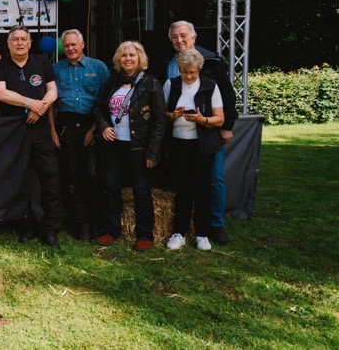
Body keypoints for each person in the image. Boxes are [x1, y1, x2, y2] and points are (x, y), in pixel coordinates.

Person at [163, 20, 238, 244]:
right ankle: (182, 230)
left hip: (207, 135)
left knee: (212, 181)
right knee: (184, 186)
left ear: (194, 37)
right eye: (175, 37)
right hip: (180, 139)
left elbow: (227, 95)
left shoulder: (212, 61)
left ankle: (214, 227)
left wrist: (226, 126)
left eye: (184, 35)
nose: (179, 40)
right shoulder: (168, 66)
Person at [0, 25, 62, 248]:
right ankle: (27, 225)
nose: (20, 43)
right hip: (13, 130)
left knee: (50, 178)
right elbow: (1, 93)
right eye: (15, 40)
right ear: (8, 44)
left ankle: (50, 229)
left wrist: (40, 107)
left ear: (30, 43)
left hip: (40, 129)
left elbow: (53, 91)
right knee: (18, 180)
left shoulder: (41, 62)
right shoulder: (0, 66)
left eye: (24, 39)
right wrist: (31, 103)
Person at [94, 41, 165, 252]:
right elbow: (98, 108)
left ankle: (145, 234)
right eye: (124, 56)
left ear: (140, 58)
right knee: (111, 187)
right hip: (114, 145)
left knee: (141, 190)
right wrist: (104, 126)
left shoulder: (151, 83)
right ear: (118, 59)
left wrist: (153, 152)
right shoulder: (111, 82)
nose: (128, 59)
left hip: (139, 147)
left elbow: (160, 121)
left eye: (132, 55)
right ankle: (112, 231)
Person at [48, 29, 110, 241]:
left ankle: (97, 225)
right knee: (71, 178)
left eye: (74, 44)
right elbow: (51, 104)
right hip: (65, 126)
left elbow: (106, 101)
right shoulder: (55, 69)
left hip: (91, 123)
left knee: (92, 175)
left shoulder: (98, 67)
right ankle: (81, 226)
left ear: (83, 45)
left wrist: (95, 128)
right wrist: (53, 130)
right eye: (67, 46)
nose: (71, 49)